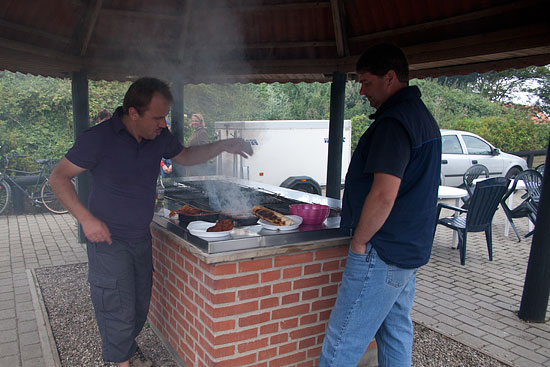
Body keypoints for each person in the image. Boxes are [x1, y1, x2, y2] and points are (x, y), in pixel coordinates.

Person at [49, 77, 252, 367]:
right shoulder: (99, 138)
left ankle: (124, 352)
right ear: (133, 113)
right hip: (109, 242)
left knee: (139, 308)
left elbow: (187, 156)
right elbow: (58, 177)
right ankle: (120, 361)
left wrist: (223, 145)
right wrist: (86, 219)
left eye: (165, 117)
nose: (163, 124)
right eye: (157, 117)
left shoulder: (158, 137)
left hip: (141, 239)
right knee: (116, 310)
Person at [319, 44, 441, 367]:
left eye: (366, 82)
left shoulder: (394, 123)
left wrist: (359, 241)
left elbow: (384, 194)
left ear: (389, 78)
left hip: (382, 251)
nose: (361, 91)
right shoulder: (422, 118)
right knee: (395, 332)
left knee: (341, 340)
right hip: (407, 251)